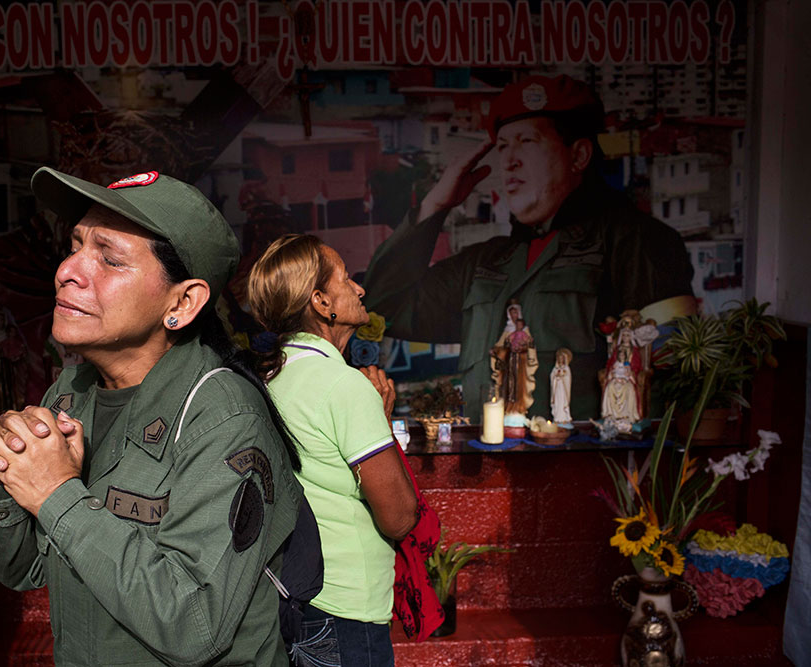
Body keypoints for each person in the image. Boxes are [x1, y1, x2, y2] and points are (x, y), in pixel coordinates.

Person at [0, 168, 302, 666]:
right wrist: (7, 473)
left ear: (183, 303)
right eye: (76, 245)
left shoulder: (223, 418)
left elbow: (195, 624)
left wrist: (58, 495)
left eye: (110, 259)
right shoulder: (72, 392)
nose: (69, 270)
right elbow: (16, 567)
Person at [364, 74, 697, 422]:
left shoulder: (635, 241)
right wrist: (434, 207)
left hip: (584, 469)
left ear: (579, 155)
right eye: (504, 145)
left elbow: (675, 375)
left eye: (527, 141)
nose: (510, 160)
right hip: (487, 465)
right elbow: (381, 308)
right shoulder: (484, 262)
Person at [247, 234, 418, 667]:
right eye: (346, 278)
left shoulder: (271, 379)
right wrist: (381, 421)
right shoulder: (344, 386)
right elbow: (399, 517)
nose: (359, 288)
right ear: (322, 302)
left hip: (293, 597)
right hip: (347, 609)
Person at [550, 347, 574, 426]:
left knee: (562, 402)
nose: (560, 360)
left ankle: (564, 418)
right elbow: (552, 376)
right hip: (557, 388)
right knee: (557, 403)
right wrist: (556, 377)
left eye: (562, 358)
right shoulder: (555, 368)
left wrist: (563, 377)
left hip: (563, 389)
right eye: (559, 358)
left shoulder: (567, 368)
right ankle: (557, 418)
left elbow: (567, 379)